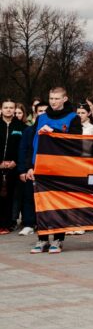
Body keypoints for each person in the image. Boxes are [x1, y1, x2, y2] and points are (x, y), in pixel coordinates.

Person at [23, 87, 83, 253]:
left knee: (58, 204)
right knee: (41, 204)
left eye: (57, 98)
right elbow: (32, 144)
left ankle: (58, 239)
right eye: (51, 98)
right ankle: (42, 239)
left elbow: (76, 144)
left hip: (61, 168)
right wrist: (29, 166)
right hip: (40, 167)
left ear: (65, 99)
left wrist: (54, 132)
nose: (53, 102)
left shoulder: (73, 118)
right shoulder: (41, 118)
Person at [2, 99, 26, 234]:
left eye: (11, 107)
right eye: (6, 107)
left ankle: (9, 223)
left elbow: (22, 147)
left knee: (11, 195)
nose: (9, 110)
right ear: (2, 109)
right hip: (0, 165)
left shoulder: (20, 126)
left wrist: (15, 162)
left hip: (14, 166)